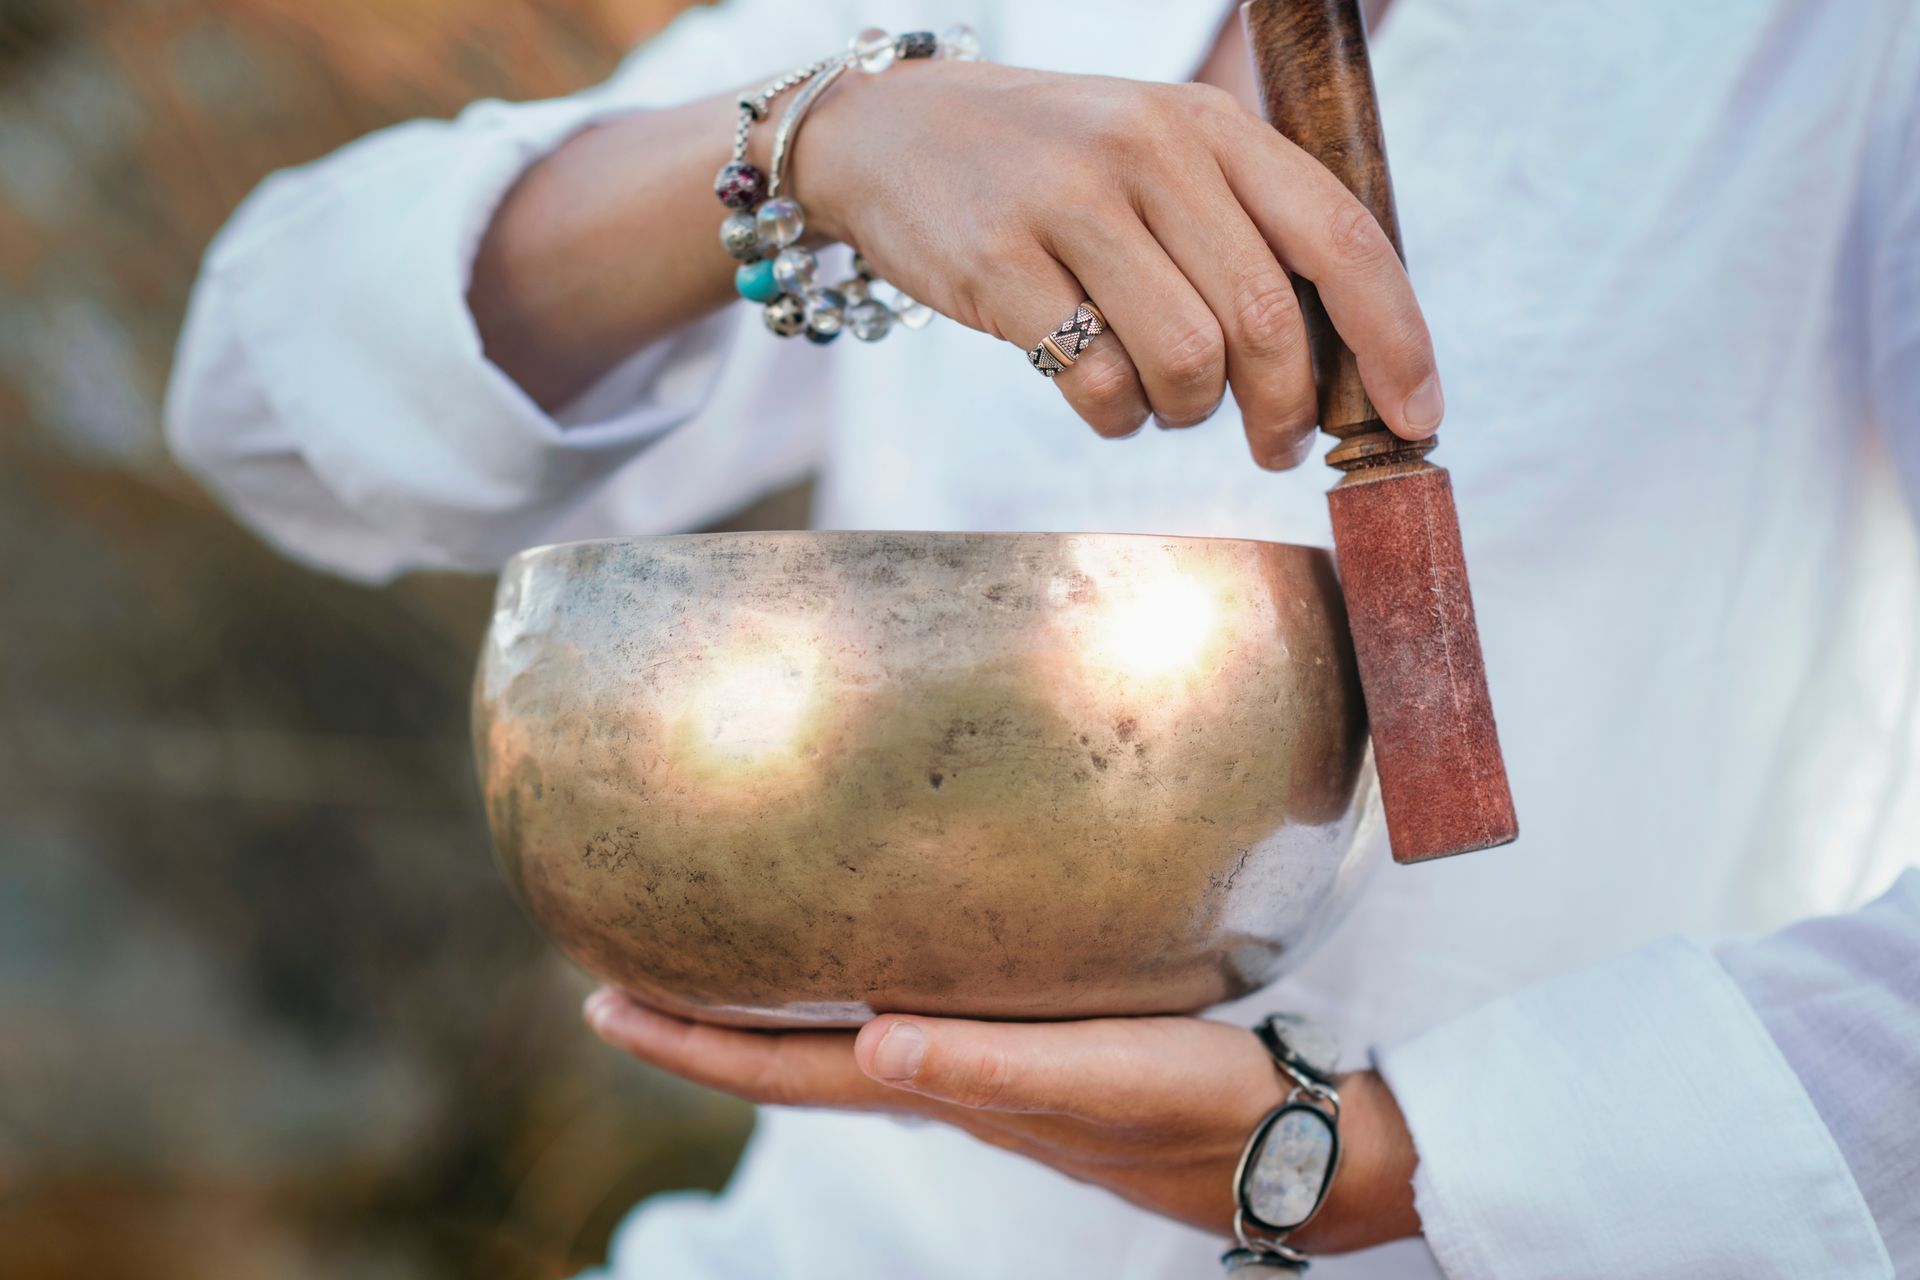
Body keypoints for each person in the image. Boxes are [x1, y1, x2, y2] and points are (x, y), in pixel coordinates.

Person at [166, 0, 1920, 1275]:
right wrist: (816, 141)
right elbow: (261, 402)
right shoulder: (974, 20)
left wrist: (1408, 1162)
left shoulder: (1836, 54)